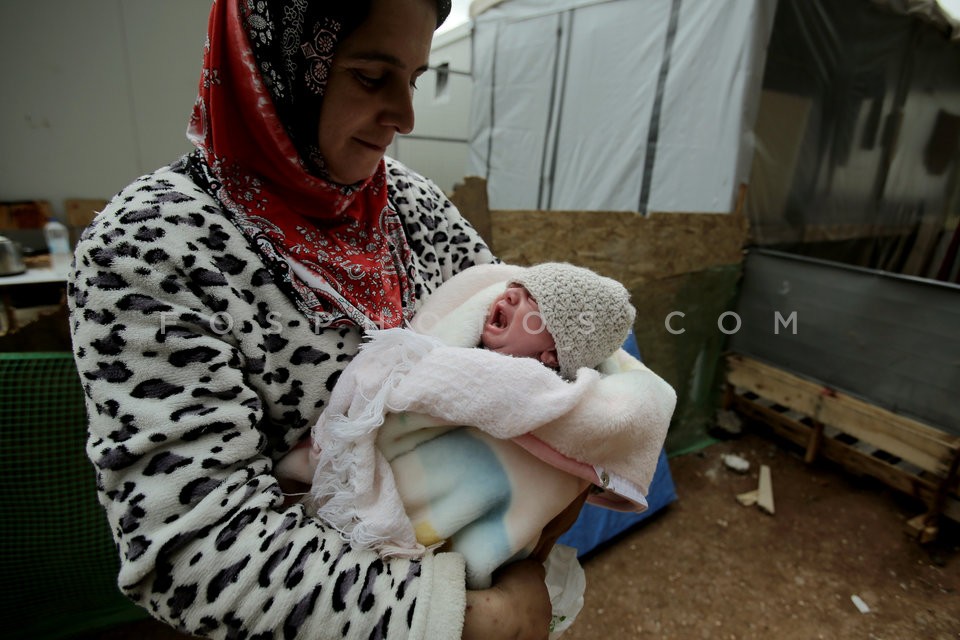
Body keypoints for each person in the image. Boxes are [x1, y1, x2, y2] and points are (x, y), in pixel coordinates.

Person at [68, 1, 581, 638]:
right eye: (372, 77)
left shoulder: (414, 210)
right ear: (279, 66)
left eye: (415, 79)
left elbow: (525, 357)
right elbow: (191, 550)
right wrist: (473, 621)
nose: (406, 116)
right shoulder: (155, 243)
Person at [275, 261, 677, 591]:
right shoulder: (467, 340)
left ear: (551, 355)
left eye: (534, 302)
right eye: (517, 286)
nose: (511, 294)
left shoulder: (532, 386)